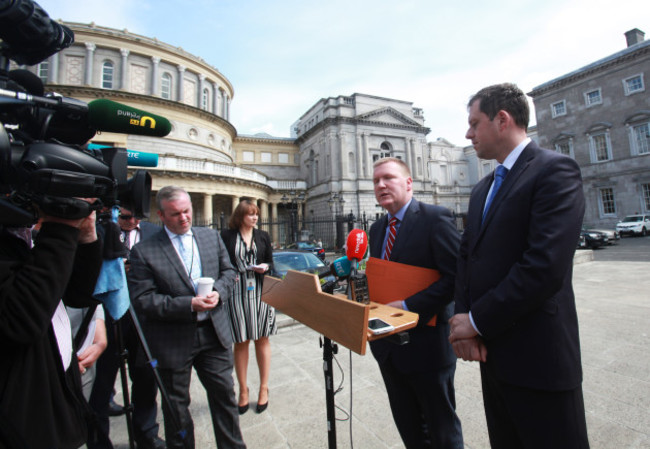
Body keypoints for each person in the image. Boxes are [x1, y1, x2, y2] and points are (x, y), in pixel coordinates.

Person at [449, 83, 590, 449]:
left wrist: (476, 320)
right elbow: (467, 257)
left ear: (502, 119)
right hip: (491, 357)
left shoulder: (555, 171)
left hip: (539, 360)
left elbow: (543, 267)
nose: (468, 133)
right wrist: (463, 321)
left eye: (474, 123)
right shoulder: (482, 189)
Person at [128, 186, 246, 449]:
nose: (183, 218)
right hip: (173, 340)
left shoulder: (210, 237)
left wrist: (218, 292)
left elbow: (229, 272)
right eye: (175, 214)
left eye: (187, 211)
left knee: (225, 399)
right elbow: (143, 301)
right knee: (177, 410)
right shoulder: (144, 251)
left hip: (213, 334)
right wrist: (188, 305)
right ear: (160, 215)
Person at [368, 157, 463, 449]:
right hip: (389, 349)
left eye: (388, 178)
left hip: (428, 348)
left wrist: (408, 306)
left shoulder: (436, 218)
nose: (381, 185)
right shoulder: (377, 229)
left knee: (442, 433)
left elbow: (457, 277)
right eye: (375, 181)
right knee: (410, 430)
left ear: (408, 183)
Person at [0, 207, 102, 449]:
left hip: (56, 395)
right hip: (20, 423)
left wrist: (85, 237)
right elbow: (21, 320)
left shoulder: (23, 235)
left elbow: (77, 294)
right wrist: (61, 225)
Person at [88, 205, 165, 449]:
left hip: (143, 319)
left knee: (145, 381)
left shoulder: (154, 232)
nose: (132, 221)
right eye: (125, 217)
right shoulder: (97, 230)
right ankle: (99, 441)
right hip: (107, 320)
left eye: (137, 216)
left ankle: (147, 434)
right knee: (100, 385)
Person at [220, 200, 275, 414]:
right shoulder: (227, 236)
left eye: (256, 214)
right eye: (250, 214)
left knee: (262, 338)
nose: (255, 218)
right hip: (237, 292)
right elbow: (221, 262)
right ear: (240, 216)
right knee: (240, 341)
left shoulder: (263, 236)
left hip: (260, 290)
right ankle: (243, 390)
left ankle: (263, 388)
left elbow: (271, 262)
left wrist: (265, 267)